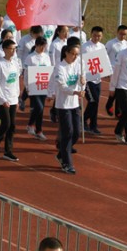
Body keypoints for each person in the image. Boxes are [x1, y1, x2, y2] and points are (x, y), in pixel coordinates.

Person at [54, 44, 86, 174]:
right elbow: (62, 86)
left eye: (77, 54)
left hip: (74, 104)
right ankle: (67, 163)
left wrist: (83, 84)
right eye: (73, 54)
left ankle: (61, 153)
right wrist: (75, 92)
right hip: (63, 105)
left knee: (76, 132)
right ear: (66, 53)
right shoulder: (59, 67)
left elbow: (83, 81)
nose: (75, 57)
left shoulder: (79, 65)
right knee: (68, 132)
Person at [0, 39, 21, 162]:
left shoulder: (15, 63)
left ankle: (8, 151)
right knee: (6, 124)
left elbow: (17, 81)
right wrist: (3, 99)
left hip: (13, 98)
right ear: (4, 49)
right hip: (3, 98)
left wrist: (17, 97)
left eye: (15, 49)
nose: (13, 51)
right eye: (11, 49)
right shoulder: (0, 64)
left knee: (12, 125)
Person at [24, 36, 50, 141]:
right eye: (41, 46)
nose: (43, 49)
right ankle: (30, 124)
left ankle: (39, 131)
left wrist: (50, 89)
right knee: (38, 107)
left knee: (41, 110)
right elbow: (26, 74)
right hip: (33, 86)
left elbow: (49, 72)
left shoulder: (46, 57)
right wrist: (27, 86)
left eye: (44, 46)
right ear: (36, 45)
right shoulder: (30, 58)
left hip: (43, 86)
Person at [81, 26, 105, 135]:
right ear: (91, 34)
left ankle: (93, 125)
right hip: (88, 79)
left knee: (96, 103)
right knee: (92, 101)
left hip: (97, 79)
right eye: (95, 35)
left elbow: (104, 61)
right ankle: (83, 120)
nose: (97, 38)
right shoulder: (85, 47)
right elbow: (81, 62)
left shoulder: (102, 47)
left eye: (99, 36)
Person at [104, 25, 127, 117]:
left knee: (120, 90)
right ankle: (109, 104)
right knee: (114, 89)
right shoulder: (111, 43)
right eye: (121, 34)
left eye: (125, 34)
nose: (123, 36)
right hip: (113, 69)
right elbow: (104, 55)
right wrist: (106, 70)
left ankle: (118, 111)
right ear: (117, 32)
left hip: (123, 71)